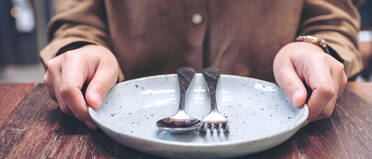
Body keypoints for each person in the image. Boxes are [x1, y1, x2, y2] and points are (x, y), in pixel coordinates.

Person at [41, 0, 363, 129]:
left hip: (291, 131)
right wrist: (84, 50)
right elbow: (78, 21)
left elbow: (332, 19)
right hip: (114, 135)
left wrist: (314, 49)